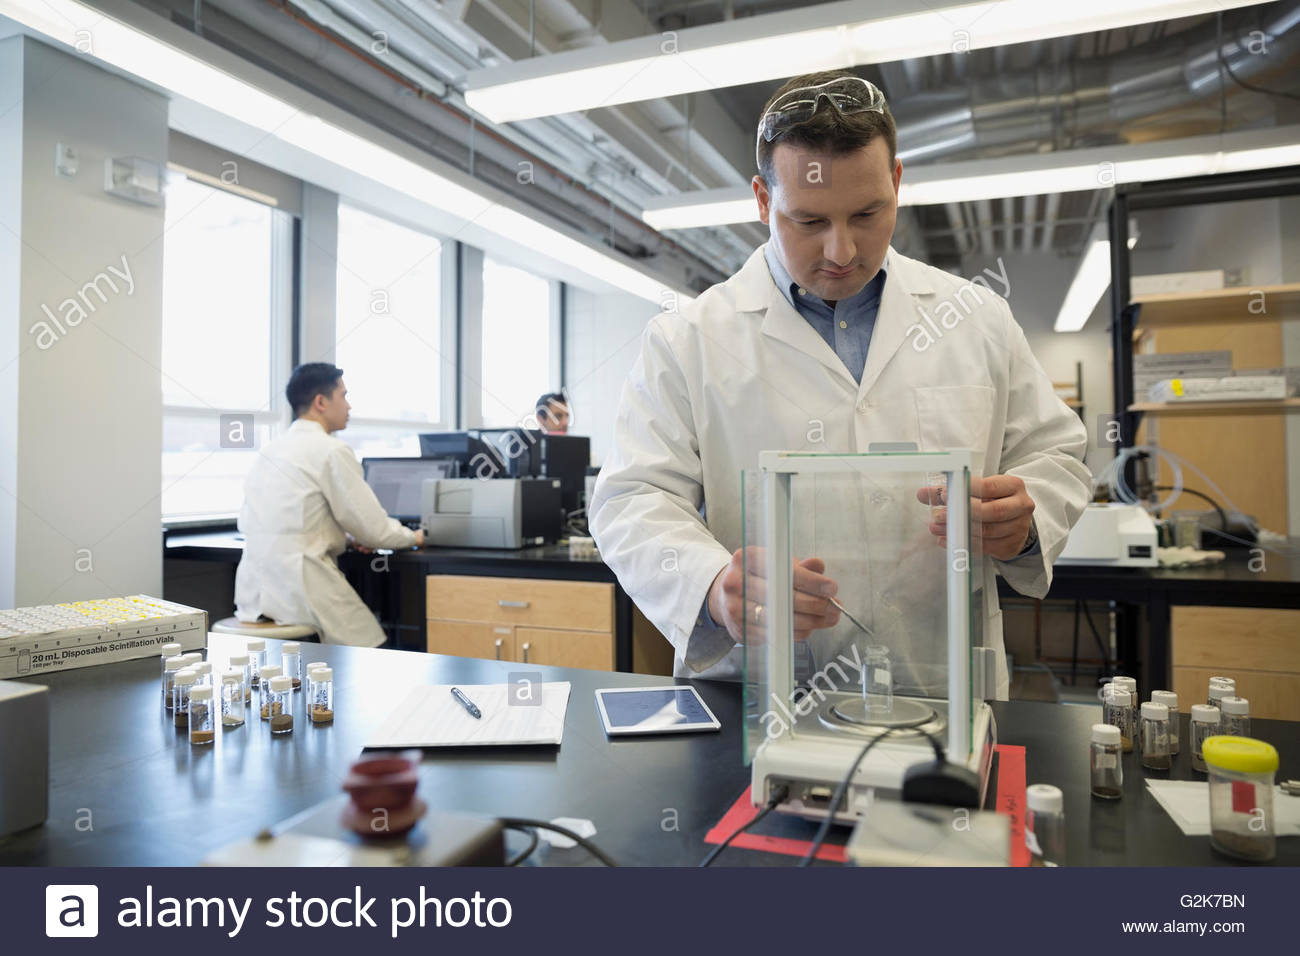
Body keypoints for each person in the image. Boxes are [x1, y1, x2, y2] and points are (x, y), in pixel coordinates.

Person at [589, 72, 1091, 698]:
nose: (843, 250)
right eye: (809, 221)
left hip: (939, 686)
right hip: (760, 695)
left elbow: (1056, 455)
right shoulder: (687, 339)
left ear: (897, 183)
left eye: (867, 213)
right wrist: (714, 585)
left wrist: (1026, 518)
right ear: (763, 201)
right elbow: (631, 500)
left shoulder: (974, 317)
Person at [234, 363, 424, 647]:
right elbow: (375, 531)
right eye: (344, 396)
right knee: (376, 648)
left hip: (253, 592)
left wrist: (345, 538)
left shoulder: (270, 450)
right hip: (300, 588)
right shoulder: (331, 450)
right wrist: (415, 537)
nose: (349, 406)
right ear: (321, 402)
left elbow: (290, 521)